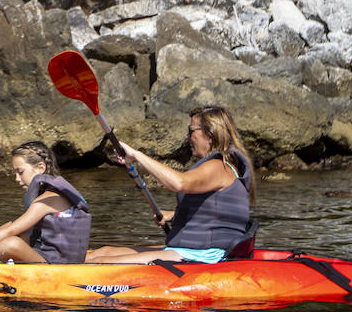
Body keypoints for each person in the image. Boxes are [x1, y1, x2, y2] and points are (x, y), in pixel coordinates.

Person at [86, 106, 255, 264]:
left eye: (191, 131)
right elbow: (217, 212)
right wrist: (174, 215)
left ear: (209, 135)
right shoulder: (220, 167)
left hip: (202, 255)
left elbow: (179, 183)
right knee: (102, 252)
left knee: (97, 263)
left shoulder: (219, 167)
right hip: (191, 250)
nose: (187, 137)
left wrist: (136, 155)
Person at [0, 141, 91, 264]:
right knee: (8, 238)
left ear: (41, 167)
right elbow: (13, 225)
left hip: (55, 265)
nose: (16, 178)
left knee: (12, 244)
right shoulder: (48, 195)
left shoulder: (48, 199)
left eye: (20, 172)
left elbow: (12, 230)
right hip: (50, 258)